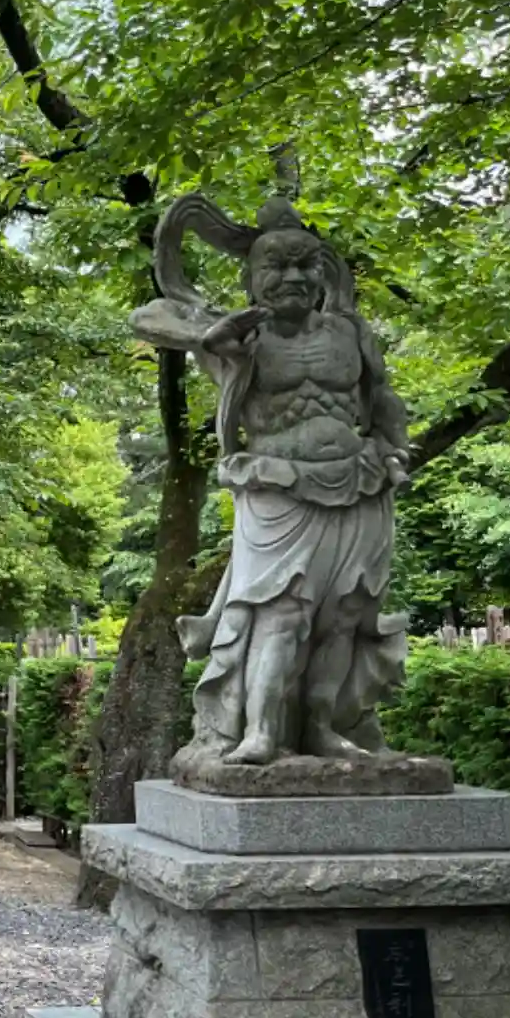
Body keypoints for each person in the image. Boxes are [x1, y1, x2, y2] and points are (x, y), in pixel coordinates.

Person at [134, 195, 411, 766]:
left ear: (323, 271)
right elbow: (147, 318)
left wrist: (395, 450)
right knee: (280, 613)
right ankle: (259, 732)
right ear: (252, 276)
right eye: (276, 266)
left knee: (343, 617)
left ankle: (323, 728)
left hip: (359, 482)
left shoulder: (349, 330)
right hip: (277, 489)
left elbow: (382, 395)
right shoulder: (242, 337)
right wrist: (212, 335)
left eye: (306, 264)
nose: (293, 277)